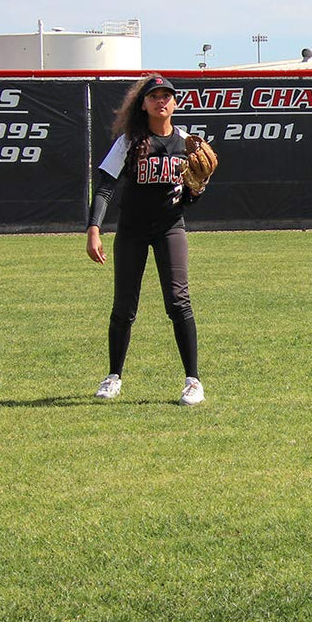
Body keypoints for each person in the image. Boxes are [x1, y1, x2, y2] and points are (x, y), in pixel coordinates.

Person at [86, 73, 206, 406]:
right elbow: (107, 186)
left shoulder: (187, 142)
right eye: (154, 96)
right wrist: (94, 227)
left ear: (175, 103)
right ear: (144, 103)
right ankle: (113, 377)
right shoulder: (130, 140)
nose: (161, 100)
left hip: (170, 227)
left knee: (178, 302)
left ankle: (193, 381)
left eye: (167, 95)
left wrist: (196, 190)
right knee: (124, 306)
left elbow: (190, 195)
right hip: (132, 230)